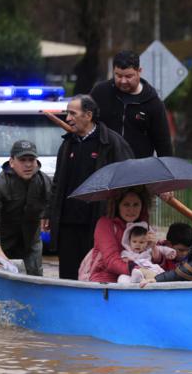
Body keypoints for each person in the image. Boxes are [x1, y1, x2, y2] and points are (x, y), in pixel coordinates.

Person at [42, 94, 134, 280]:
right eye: (67, 114)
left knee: (94, 273)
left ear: (88, 115)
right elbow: (58, 183)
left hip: (98, 222)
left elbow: (127, 181)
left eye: (72, 113)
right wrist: (49, 212)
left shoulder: (111, 143)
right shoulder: (68, 143)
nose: (68, 119)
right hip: (68, 223)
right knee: (68, 275)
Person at [0, 141, 51, 276]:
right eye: (22, 160)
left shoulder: (43, 181)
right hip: (1, 239)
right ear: (12, 162)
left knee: (36, 279)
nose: (28, 164)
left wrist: (49, 216)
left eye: (31, 159)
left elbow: (53, 202)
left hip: (31, 239)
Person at [90, 50, 173, 158]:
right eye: (118, 76)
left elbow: (163, 144)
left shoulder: (153, 103)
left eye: (129, 76)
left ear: (139, 71)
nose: (123, 81)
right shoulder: (100, 92)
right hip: (103, 165)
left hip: (138, 169)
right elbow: (86, 122)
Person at [89, 186, 154, 283]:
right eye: (126, 205)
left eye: (136, 205)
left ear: (142, 206)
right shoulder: (105, 224)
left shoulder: (144, 226)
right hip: (106, 281)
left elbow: (150, 258)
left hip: (138, 280)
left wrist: (155, 249)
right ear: (117, 205)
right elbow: (111, 260)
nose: (131, 210)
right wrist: (138, 270)